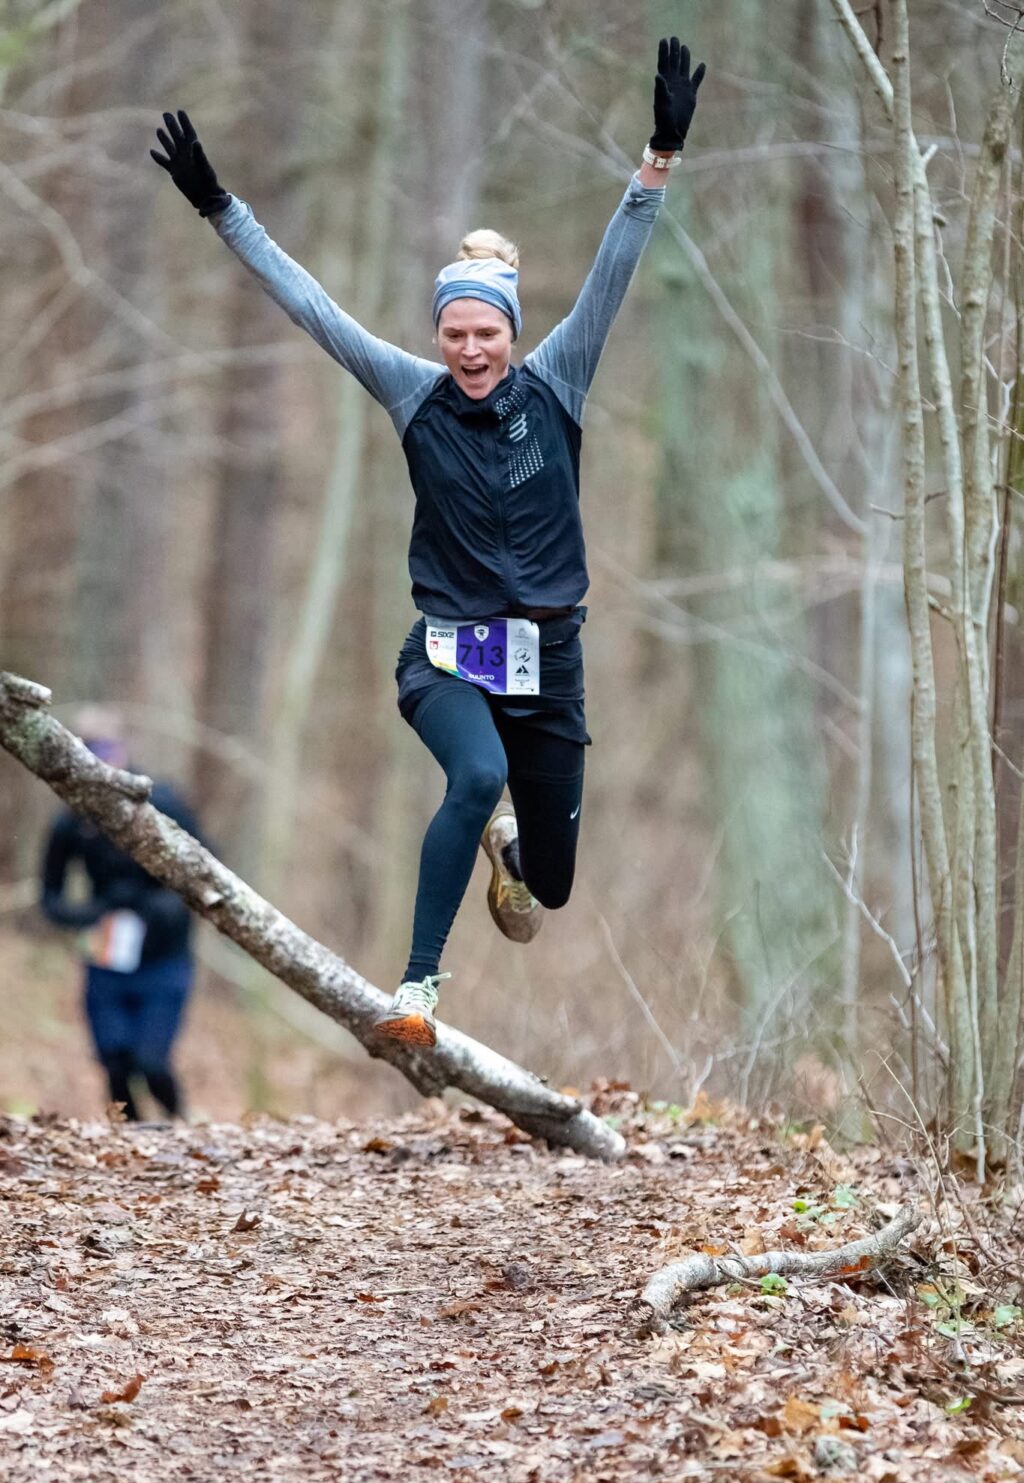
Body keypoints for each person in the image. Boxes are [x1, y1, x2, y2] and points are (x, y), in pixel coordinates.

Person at [151, 37, 705, 1048]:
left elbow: (614, 270)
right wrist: (220, 207)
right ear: (439, 336)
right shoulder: (412, 394)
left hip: (552, 660)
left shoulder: (558, 384)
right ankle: (415, 991)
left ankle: (510, 850)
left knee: (552, 888)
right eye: (453, 333)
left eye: (484, 332)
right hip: (447, 650)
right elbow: (312, 307)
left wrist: (658, 155)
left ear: (509, 330)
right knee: (475, 774)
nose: (469, 348)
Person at [39, 707, 202, 1119]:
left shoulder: (162, 802)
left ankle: (184, 1128)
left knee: (151, 1063)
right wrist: (93, 911)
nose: (102, 757)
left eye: (108, 747)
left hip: (164, 958)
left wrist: (169, 904)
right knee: (115, 1062)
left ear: (125, 748)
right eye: (90, 749)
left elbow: (209, 871)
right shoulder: (73, 821)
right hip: (106, 957)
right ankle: (130, 1153)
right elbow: (51, 899)